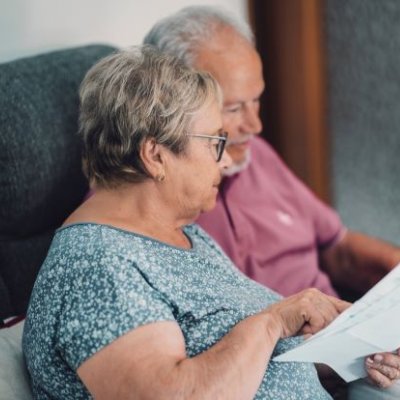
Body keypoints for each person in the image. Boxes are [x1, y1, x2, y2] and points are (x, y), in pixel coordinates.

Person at [22, 46, 398, 399]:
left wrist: (347, 359)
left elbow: (250, 369)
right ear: (155, 155)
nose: (223, 161)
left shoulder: (185, 236)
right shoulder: (96, 267)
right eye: (215, 142)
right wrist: (273, 321)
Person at [143, 5, 400, 300]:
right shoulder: (140, 207)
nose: (255, 125)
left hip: (341, 327)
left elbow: (337, 248)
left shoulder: (256, 154)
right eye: (234, 108)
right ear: (174, 106)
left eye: (256, 101)